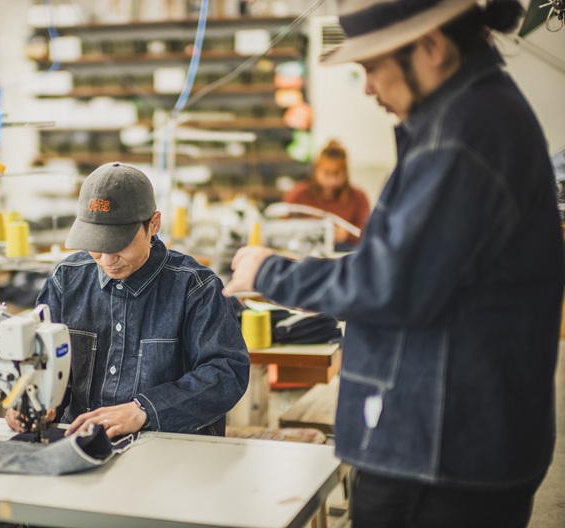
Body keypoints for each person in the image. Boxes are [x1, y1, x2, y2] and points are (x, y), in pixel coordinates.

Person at [223, 1, 563, 526]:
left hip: (440, 459)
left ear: (430, 47)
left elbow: (391, 280)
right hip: (442, 443)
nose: (367, 88)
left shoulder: (464, 135)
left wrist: (271, 272)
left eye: (371, 67)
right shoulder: (462, 121)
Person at [6, 162, 250, 439]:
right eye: (96, 244)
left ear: (153, 224)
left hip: (170, 449)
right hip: (79, 443)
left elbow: (226, 373)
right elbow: (40, 360)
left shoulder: (195, 287)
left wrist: (145, 409)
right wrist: (32, 400)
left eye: (119, 244)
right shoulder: (67, 280)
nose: (107, 260)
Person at [283, 140, 370, 247]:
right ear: (316, 170)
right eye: (326, 173)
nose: (331, 180)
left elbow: (370, 234)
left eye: (336, 174)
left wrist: (347, 236)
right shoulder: (298, 194)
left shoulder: (358, 197)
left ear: (345, 173)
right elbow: (280, 226)